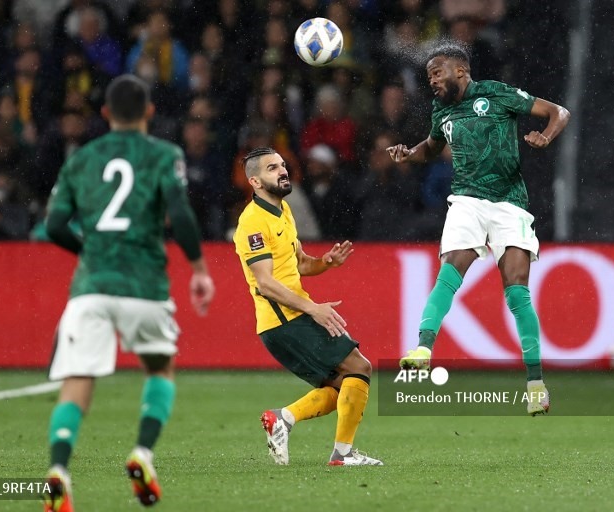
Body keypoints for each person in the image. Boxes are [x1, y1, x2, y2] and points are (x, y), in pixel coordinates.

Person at [42, 75, 215, 512]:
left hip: (92, 285)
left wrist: (91, 251)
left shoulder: (82, 158)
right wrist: (198, 268)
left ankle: (60, 469)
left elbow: (55, 225)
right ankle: (142, 452)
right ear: (150, 113)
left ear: (104, 114)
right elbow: (180, 212)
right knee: (160, 369)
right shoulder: (164, 155)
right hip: (145, 284)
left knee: (77, 383)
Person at [387, 43, 570, 416]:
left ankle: (536, 384)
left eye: (438, 73)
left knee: (517, 293)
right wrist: (409, 154)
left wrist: (546, 137)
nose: (433, 81)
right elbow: (432, 146)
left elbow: (557, 112)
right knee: (450, 271)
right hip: (466, 201)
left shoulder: (497, 94)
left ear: (461, 71)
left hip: (508, 203)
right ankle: (423, 348)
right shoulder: (442, 110)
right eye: (429, 76)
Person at [233, 146, 382, 466]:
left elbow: (300, 264)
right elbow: (265, 283)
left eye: (283, 165)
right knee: (359, 367)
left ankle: (283, 420)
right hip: (282, 319)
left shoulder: (283, 211)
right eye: (272, 168)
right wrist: (313, 309)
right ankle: (341, 455)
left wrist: (325, 262)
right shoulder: (252, 222)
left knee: (345, 383)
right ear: (256, 182)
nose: (283, 171)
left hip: (294, 313)